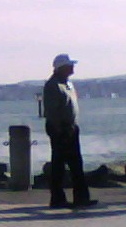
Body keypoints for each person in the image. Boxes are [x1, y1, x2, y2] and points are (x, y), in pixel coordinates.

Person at [42, 53, 98, 210]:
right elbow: (51, 111)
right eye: (69, 65)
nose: (73, 67)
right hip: (60, 129)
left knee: (76, 164)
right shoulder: (52, 85)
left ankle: (81, 197)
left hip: (71, 127)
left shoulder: (68, 84)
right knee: (59, 165)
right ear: (61, 68)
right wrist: (60, 129)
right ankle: (58, 199)